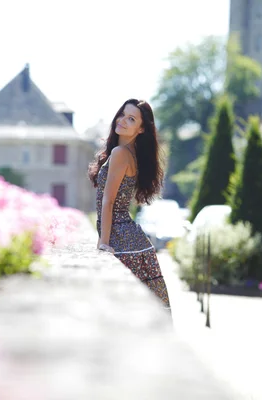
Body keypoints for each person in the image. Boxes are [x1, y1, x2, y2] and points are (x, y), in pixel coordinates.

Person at [88, 98, 171, 312]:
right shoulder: (129, 154)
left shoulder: (120, 154)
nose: (122, 121)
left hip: (123, 242)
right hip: (134, 242)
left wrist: (103, 243)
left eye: (131, 119)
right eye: (122, 114)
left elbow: (108, 202)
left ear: (141, 128)